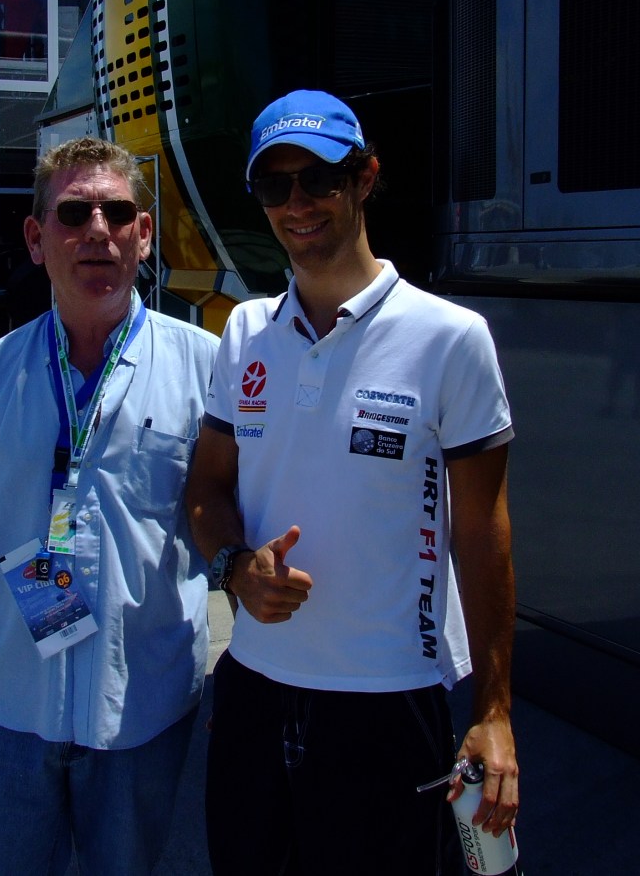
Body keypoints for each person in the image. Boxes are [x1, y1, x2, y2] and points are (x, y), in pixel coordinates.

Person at [185, 90, 521, 875]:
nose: (297, 204)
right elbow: (205, 488)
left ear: (366, 178)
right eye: (274, 186)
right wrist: (234, 567)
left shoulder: (450, 338)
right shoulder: (244, 331)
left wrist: (495, 713)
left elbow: (483, 535)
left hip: (388, 701)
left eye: (320, 180)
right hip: (254, 692)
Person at [0, 136, 219, 875]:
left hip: (145, 722)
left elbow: (232, 523)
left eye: (118, 213)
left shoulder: (205, 369)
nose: (98, 231)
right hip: (9, 717)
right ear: (36, 237)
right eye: (74, 212)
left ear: (144, 235)